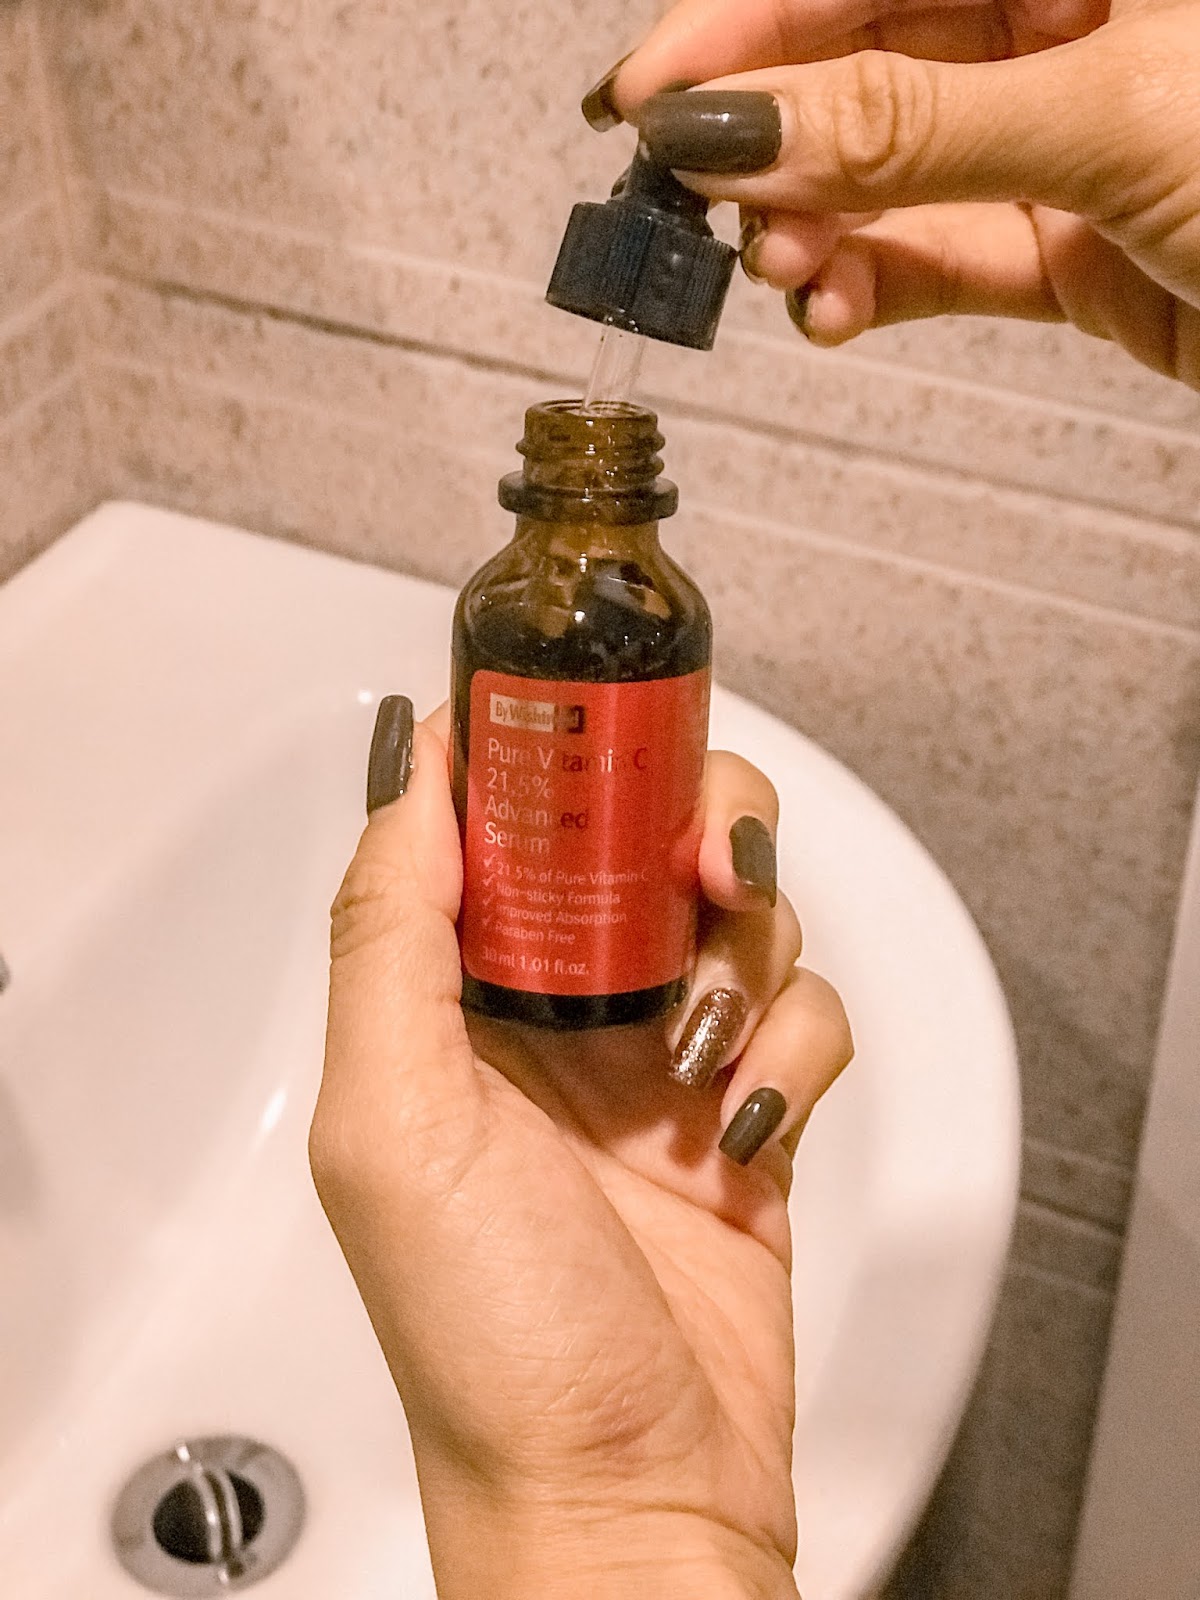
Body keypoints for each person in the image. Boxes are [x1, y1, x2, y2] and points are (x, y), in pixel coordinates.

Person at [312, 4, 1200, 1594]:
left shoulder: (651, 614)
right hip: (584, 1360)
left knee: (712, 885)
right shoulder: (511, 610)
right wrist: (605, 1508)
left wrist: (621, 1519)